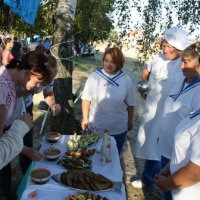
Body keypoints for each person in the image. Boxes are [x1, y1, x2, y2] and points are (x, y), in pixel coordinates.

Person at [132, 27, 188, 189]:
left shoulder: (182, 64)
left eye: (169, 47)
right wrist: (144, 86)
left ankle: (164, 180)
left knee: (164, 147)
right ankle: (149, 179)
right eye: (163, 46)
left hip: (170, 114)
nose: (165, 50)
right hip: (152, 109)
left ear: (179, 48)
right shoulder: (158, 58)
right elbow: (146, 71)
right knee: (150, 143)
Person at [0, 52, 51, 200]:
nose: (38, 87)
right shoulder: (3, 88)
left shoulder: (9, 81)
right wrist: (20, 127)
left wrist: (26, 149)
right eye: (38, 81)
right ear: (29, 72)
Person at [155, 42, 200, 199]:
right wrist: (162, 132)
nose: (181, 66)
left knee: (172, 190)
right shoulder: (181, 82)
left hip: (181, 153)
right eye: (181, 61)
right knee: (167, 191)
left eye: (186, 62)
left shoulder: (198, 91)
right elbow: (171, 110)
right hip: (167, 145)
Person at [81, 47, 136, 155]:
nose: (108, 64)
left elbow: (131, 104)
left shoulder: (126, 79)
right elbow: (86, 99)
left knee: (113, 157)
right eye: (106, 60)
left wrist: (130, 121)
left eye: (113, 62)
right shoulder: (94, 77)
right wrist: (84, 118)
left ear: (119, 63)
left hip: (118, 128)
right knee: (92, 156)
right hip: (96, 126)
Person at [17, 54, 61, 174]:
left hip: (27, 106)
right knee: (8, 143)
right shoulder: (22, 76)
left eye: (53, 77)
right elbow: (12, 101)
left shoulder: (49, 77)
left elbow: (48, 93)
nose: (50, 80)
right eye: (48, 78)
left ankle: (26, 173)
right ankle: (4, 190)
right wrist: (29, 90)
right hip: (14, 108)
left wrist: (52, 105)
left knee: (28, 142)